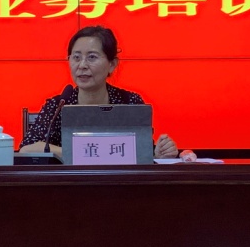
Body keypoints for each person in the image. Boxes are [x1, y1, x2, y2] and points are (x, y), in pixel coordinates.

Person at [19, 25, 178, 158]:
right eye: (76, 57)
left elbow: (143, 151)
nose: (82, 65)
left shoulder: (129, 102)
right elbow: (27, 149)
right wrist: (83, 154)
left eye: (92, 57)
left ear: (112, 64)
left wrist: (159, 153)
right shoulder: (58, 105)